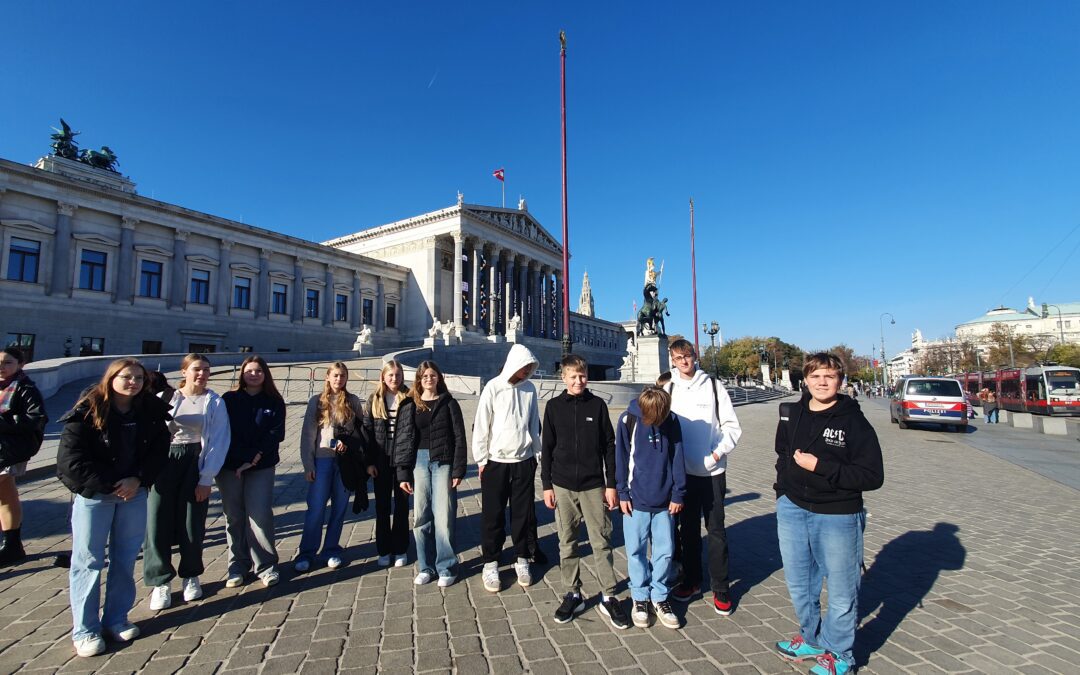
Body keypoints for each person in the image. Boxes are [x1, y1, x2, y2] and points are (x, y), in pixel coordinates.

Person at [773, 353, 884, 675]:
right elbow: (782, 453)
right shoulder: (793, 413)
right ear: (805, 380)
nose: (822, 382)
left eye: (829, 376)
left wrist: (821, 467)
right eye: (816, 376)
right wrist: (783, 490)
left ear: (840, 381)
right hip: (793, 507)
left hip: (837, 514)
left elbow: (872, 476)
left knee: (841, 588)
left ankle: (840, 654)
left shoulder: (853, 421)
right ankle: (811, 637)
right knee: (799, 584)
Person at [56, 358, 171, 657]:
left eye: (138, 377)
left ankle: (117, 618)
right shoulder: (87, 410)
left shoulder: (150, 411)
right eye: (126, 376)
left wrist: (138, 479)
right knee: (88, 561)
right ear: (111, 378)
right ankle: (85, 629)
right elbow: (71, 461)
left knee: (124, 558)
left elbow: (160, 451)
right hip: (96, 495)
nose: (132, 382)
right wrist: (112, 483)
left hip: (134, 493)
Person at [541, 355, 629, 629]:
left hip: (593, 485)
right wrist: (546, 485)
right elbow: (547, 449)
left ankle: (608, 595)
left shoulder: (598, 405)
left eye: (582, 375)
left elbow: (609, 447)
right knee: (567, 542)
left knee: (601, 540)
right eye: (573, 376)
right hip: (562, 484)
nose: (579, 380)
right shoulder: (554, 407)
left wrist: (612, 484)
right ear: (563, 378)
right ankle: (573, 593)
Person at [145, 354, 230, 610]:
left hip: (195, 461)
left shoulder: (214, 401)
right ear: (184, 372)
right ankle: (161, 581)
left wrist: (206, 478)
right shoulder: (166, 398)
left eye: (206, 369)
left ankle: (191, 575)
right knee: (157, 520)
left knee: (192, 521)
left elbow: (218, 440)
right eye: (196, 369)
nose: (202, 374)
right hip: (165, 462)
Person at [663, 339, 742, 616]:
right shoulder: (667, 387)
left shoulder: (713, 386)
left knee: (716, 530)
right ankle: (692, 580)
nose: (683, 361)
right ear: (672, 360)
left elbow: (732, 427)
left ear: (694, 356)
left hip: (711, 472)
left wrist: (717, 454)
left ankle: (721, 588)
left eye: (687, 356)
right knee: (687, 531)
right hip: (681, 474)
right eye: (678, 357)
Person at [473, 344, 542, 593]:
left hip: (523, 460)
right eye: (523, 368)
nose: (526, 372)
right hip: (496, 461)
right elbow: (482, 425)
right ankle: (490, 562)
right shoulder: (493, 387)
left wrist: (537, 454)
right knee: (493, 514)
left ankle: (521, 557)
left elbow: (534, 424)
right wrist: (481, 459)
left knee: (523, 514)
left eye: (529, 369)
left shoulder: (530, 389)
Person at [616, 386, 686, 629]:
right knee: (635, 550)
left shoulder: (672, 420)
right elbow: (621, 458)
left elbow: (678, 457)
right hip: (635, 498)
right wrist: (622, 491)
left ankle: (660, 595)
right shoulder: (629, 419)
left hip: (666, 499)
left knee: (665, 551)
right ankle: (639, 596)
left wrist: (678, 493)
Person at [394, 361, 468, 587]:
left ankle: (446, 567)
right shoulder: (409, 404)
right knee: (421, 516)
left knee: (443, 516)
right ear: (418, 379)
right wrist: (403, 473)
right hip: (418, 461)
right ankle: (425, 566)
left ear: (439, 378)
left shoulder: (449, 403)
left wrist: (458, 469)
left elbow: (459, 437)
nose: (428, 379)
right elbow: (403, 439)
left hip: (443, 461)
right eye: (424, 376)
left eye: (432, 375)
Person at [219, 356, 286, 588]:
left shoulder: (274, 401)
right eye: (249, 371)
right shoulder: (229, 399)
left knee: (260, 516)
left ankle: (266, 565)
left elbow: (275, 434)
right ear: (242, 373)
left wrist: (253, 458)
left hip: (261, 466)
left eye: (258, 371)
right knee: (234, 517)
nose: (254, 374)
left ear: (265, 374)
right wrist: (241, 458)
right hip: (230, 467)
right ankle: (237, 565)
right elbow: (222, 432)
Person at [296, 362, 365, 572]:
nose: (339, 379)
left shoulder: (352, 401)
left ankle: (331, 549)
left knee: (339, 508)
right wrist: (308, 464)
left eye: (342, 376)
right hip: (322, 459)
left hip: (345, 461)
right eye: (335, 375)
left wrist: (350, 444)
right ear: (327, 377)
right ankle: (307, 552)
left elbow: (360, 432)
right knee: (316, 508)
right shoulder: (316, 402)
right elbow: (308, 436)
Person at [0, 347, 48, 566]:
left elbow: (36, 418)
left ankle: (11, 545)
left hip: (9, 450)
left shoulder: (25, 387)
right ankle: (13, 546)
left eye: (7, 362)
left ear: (20, 364)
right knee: (6, 496)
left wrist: (4, 423)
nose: (2, 367)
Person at [363, 360, 411, 568]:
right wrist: (369, 462)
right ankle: (383, 549)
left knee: (401, 507)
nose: (394, 378)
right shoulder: (373, 400)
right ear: (383, 377)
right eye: (390, 375)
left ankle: (400, 548)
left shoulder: (410, 398)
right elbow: (367, 434)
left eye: (398, 375)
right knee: (382, 507)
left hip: (402, 461)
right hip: (381, 461)